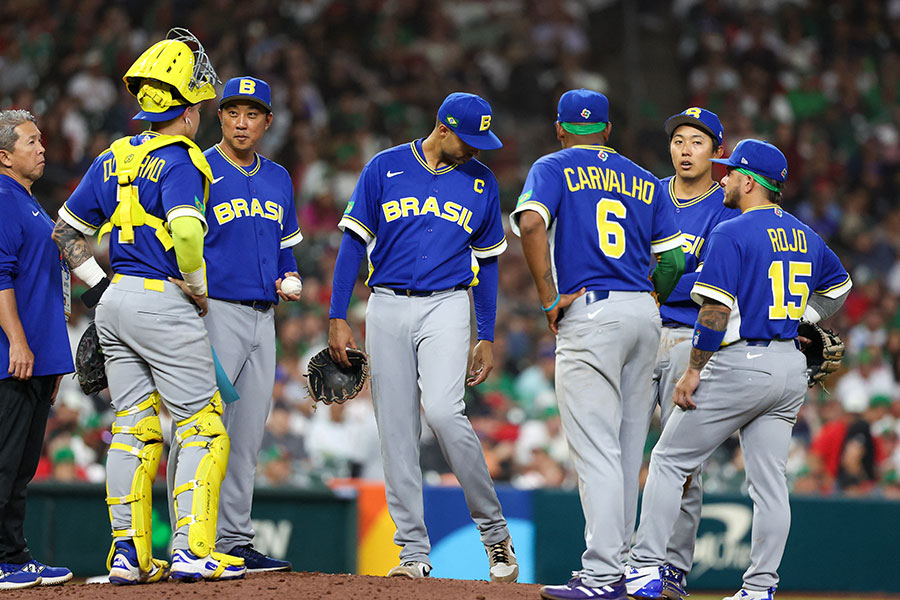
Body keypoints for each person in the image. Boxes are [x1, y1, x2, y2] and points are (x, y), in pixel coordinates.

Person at [52, 29, 246, 583]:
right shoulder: (182, 159)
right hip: (163, 298)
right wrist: (197, 283)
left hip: (115, 300)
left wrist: (100, 290)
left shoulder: (114, 155)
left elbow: (66, 233)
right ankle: (190, 550)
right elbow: (186, 231)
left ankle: (127, 558)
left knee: (133, 427)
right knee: (202, 426)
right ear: (186, 108)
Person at [626, 139, 852, 600]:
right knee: (770, 485)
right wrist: (800, 317)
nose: (723, 178)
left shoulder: (734, 231)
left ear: (749, 181)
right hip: (788, 368)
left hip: (739, 362)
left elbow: (711, 313)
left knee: (669, 461)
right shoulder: (806, 233)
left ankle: (646, 568)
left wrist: (693, 370)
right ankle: (760, 588)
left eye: (731, 172)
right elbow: (840, 286)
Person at [328, 92, 518, 583]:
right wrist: (336, 315)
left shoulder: (482, 182)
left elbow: (490, 264)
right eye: (470, 139)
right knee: (395, 431)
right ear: (443, 128)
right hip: (386, 303)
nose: (477, 150)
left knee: (442, 411)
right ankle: (413, 551)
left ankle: (494, 532)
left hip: (448, 302)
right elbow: (352, 242)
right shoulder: (385, 167)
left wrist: (487, 333)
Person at [512, 88, 685, 600]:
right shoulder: (645, 179)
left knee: (597, 451)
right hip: (643, 315)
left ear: (561, 128)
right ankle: (629, 568)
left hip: (592, 311)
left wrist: (548, 299)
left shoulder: (553, 164)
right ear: (607, 130)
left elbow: (529, 222)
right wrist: (651, 294)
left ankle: (602, 573)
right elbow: (673, 260)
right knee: (629, 451)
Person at [168, 76, 302, 572]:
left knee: (246, 437)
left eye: (252, 114)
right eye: (232, 112)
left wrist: (291, 273)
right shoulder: (196, 166)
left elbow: (287, 243)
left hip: (263, 317)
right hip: (213, 312)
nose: (241, 122)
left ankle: (234, 539)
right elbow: (174, 237)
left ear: (267, 122)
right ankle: (187, 539)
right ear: (220, 116)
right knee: (200, 429)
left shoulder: (279, 177)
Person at [626, 107, 738, 600]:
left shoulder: (727, 206)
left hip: (691, 338)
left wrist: (659, 283)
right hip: (640, 330)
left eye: (696, 141)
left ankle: (672, 569)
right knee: (622, 453)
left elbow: (717, 278)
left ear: (716, 151)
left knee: (683, 463)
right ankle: (616, 560)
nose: (685, 149)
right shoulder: (647, 194)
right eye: (678, 140)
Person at [0, 110, 74, 590]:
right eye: (31, 142)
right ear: (4, 156)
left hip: (38, 360)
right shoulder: (4, 200)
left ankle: (14, 555)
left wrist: (52, 361)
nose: (42, 148)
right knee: (5, 462)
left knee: (21, 466)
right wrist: (20, 343)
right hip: (14, 360)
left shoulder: (30, 203)